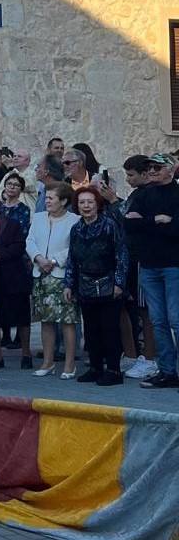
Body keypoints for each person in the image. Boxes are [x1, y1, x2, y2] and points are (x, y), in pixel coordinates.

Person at [122, 153, 179, 389]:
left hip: (174, 265)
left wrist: (148, 223)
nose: (152, 172)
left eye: (157, 167)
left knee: (176, 319)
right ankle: (167, 371)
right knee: (158, 320)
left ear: (170, 169)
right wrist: (158, 220)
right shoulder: (144, 195)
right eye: (150, 168)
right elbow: (129, 224)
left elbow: (176, 229)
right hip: (149, 265)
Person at [65, 186, 128, 386]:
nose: (86, 206)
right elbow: (72, 259)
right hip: (85, 284)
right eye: (82, 202)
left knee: (109, 328)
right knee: (91, 329)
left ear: (97, 204)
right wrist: (69, 284)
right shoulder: (76, 228)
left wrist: (119, 282)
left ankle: (114, 370)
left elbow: (122, 255)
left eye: (90, 202)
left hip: (108, 282)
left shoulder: (109, 225)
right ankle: (94, 367)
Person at [106, 155, 158, 380]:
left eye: (131, 175)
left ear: (145, 174)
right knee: (129, 306)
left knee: (146, 310)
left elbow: (127, 219)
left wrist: (113, 201)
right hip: (130, 257)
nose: (128, 179)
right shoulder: (137, 194)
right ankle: (132, 354)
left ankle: (149, 357)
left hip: (143, 258)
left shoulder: (149, 194)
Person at [27, 183, 80, 378]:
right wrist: (39, 258)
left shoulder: (75, 220)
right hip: (40, 273)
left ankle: (69, 364)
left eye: (51, 198)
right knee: (46, 320)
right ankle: (48, 362)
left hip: (62, 276)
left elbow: (74, 246)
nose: (47, 201)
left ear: (64, 201)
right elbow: (30, 240)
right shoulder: (39, 218)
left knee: (68, 321)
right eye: (46, 198)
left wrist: (55, 260)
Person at [0, 189, 34, 369]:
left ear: (0, 203)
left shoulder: (12, 224)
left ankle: (26, 354)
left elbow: (19, 245)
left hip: (13, 276)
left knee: (21, 316)